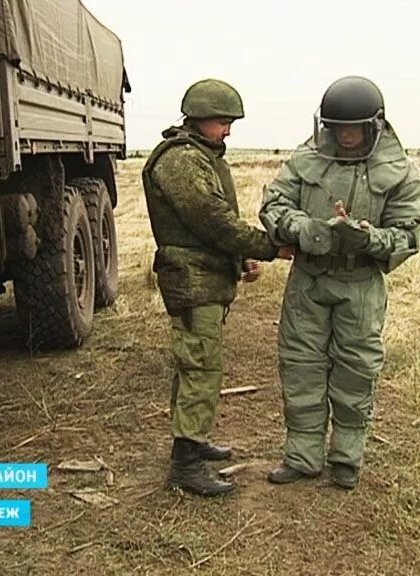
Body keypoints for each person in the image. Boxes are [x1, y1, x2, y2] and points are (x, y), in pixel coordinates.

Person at [259, 76, 420, 489]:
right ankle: (302, 457)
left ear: (375, 125)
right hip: (308, 281)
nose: (344, 136)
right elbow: (274, 203)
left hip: (361, 284)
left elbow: (409, 233)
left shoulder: (398, 170)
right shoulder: (305, 158)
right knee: (301, 367)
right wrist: (302, 228)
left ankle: (347, 458)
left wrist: (371, 238)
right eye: (336, 127)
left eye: (352, 128)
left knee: (356, 369)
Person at [142, 78, 292, 497]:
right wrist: (267, 247)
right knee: (200, 368)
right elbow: (211, 220)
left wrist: (240, 258)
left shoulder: (202, 156)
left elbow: (214, 223)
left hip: (204, 278)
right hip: (193, 282)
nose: (228, 130)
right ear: (200, 118)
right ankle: (185, 465)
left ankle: (191, 440)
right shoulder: (182, 161)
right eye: (223, 122)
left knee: (197, 365)